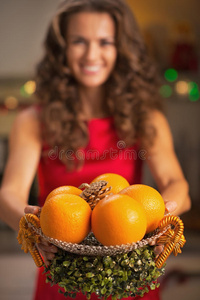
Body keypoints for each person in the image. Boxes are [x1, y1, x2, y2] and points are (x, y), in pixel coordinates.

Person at [0, 0, 191, 299]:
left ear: (121, 49)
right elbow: (9, 194)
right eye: (79, 41)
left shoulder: (146, 117)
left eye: (105, 42)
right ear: (62, 48)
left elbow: (175, 183)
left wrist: (166, 216)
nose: (92, 54)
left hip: (130, 280)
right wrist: (29, 225)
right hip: (61, 279)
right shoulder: (33, 120)